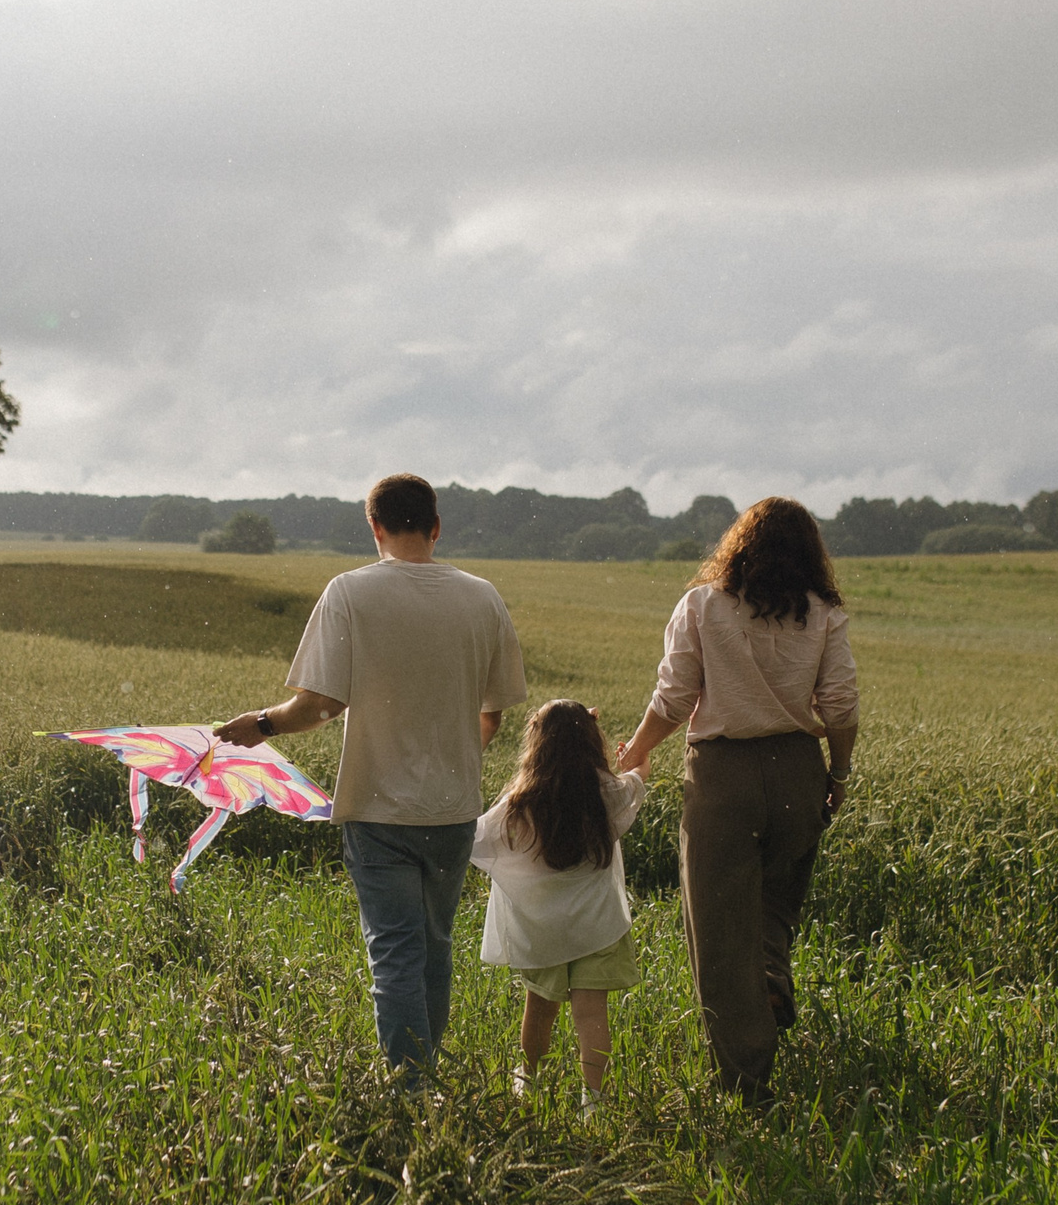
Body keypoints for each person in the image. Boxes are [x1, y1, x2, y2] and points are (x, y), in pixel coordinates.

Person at [217, 474, 526, 1078]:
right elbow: (491, 716)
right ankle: (427, 1081)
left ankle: (411, 1093)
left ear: (374, 527)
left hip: (377, 811)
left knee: (395, 954)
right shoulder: (483, 597)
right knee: (435, 948)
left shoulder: (349, 593)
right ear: (436, 528)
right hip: (453, 810)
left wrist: (260, 725)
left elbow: (319, 707)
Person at [614, 497, 858, 1109]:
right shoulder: (824, 614)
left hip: (723, 778)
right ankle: (770, 984)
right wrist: (840, 774)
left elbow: (674, 698)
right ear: (810, 552)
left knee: (718, 931)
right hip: (800, 772)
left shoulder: (702, 606)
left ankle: (748, 1085)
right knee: (776, 903)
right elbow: (842, 706)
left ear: (738, 544)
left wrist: (636, 751)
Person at [470, 699, 647, 1108]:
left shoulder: (520, 803)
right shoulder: (609, 793)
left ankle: (527, 1081)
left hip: (541, 931)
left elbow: (475, 839)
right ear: (592, 741)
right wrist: (638, 756)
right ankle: (594, 1102)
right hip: (596, 926)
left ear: (537, 744)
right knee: (591, 1015)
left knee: (539, 1010)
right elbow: (637, 779)